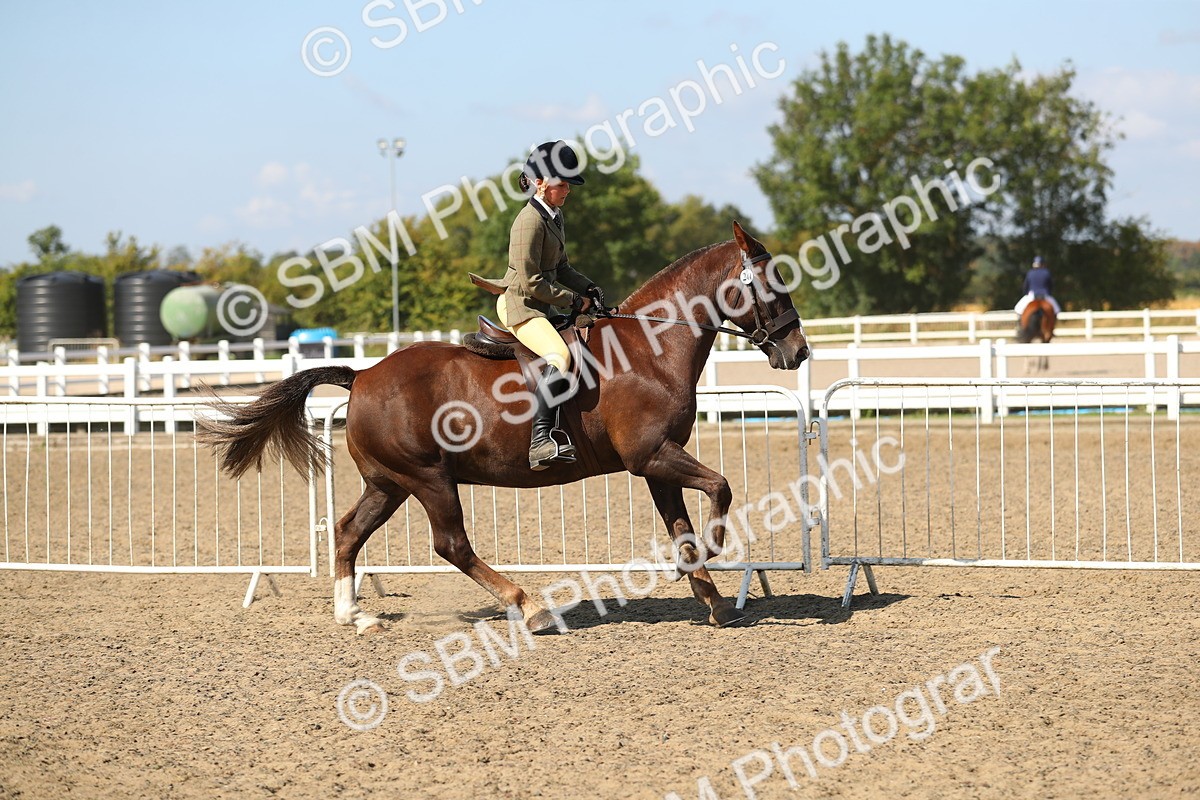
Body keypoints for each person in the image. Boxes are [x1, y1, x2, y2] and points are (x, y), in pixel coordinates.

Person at [473, 140, 607, 470]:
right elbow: (532, 282)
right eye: (562, 185)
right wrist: (574, 300)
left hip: (540, 305)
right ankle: (540, 440)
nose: (567, 192)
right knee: (560, 356)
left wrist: (587, 286)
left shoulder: (554, 217)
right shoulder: (528, 222)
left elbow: (560, 268)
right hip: (520, 305)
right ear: (541, 183)